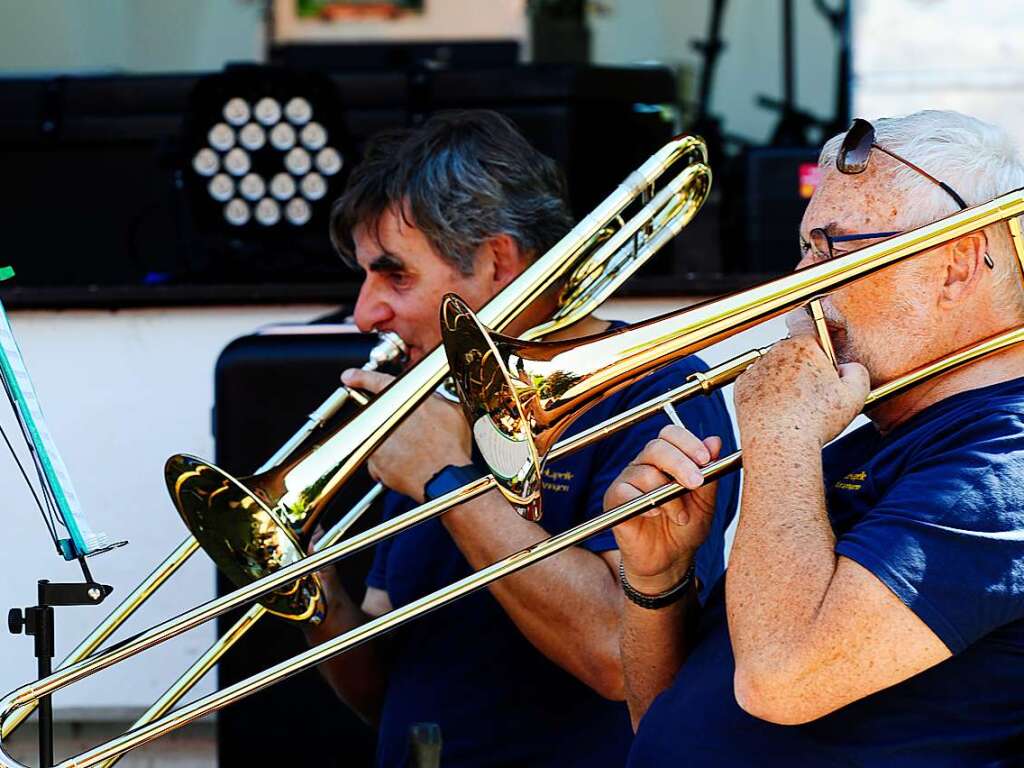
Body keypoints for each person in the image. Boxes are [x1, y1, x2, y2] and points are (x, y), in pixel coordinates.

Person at [302, 110, 739, 767]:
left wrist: (447, 481)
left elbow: (619, 656)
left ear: (497, 260)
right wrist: (312, 597)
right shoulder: (438, 399)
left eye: (395, 276)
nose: (365, 312)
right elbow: (392, 692)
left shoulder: (659, 393)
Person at [609, 109, 1024, 767]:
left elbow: (781, 681)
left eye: (834, 247)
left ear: (956, 264)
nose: (797, 290)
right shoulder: (861, 447)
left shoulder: (1003, 466)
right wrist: (657, 580)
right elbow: (671, 716)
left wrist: (780, 433)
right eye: (805, 248)